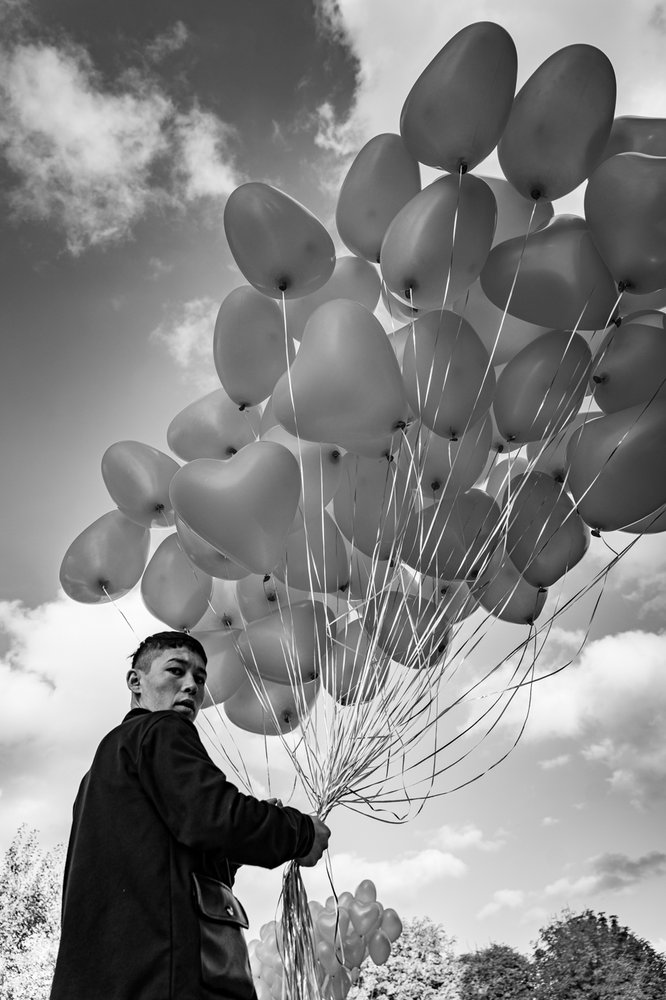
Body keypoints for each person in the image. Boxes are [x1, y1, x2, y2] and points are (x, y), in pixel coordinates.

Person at [50, 630, 330, 1000]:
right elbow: (214, 818)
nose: (191, 686)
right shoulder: (161, 728)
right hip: (166, 979)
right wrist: (300, 833)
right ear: (136, 682)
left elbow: (171, 859)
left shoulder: (98, 774)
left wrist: (229, 855)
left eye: (200, 678)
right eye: (176, 671)